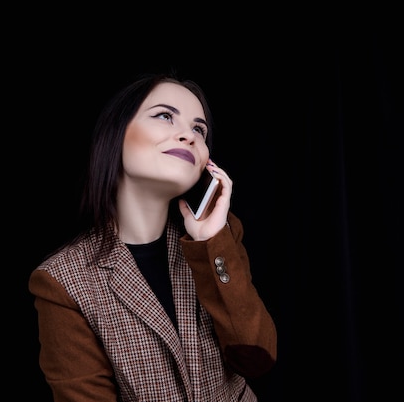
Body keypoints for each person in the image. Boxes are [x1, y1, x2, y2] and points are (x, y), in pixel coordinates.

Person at [28, 72, 277, 401]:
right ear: (117, 134)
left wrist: (211, 244)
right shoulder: (61, 281)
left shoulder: (220, 236)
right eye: (164, 116)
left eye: (199, 129)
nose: (188, 136)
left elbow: (257, 358)